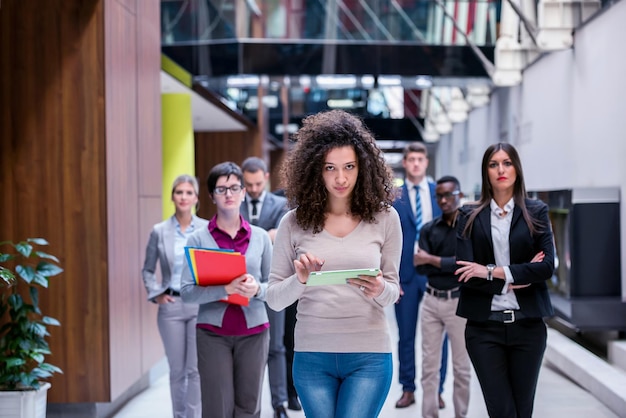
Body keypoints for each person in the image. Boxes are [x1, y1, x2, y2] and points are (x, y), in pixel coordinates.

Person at [266, 109, 402, 418]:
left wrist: (380, 288)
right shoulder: (293, 222)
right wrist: (300, 279)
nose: (341, 178)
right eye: (330, 168)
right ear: (315, 169)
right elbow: (274, 299)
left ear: (363, 167)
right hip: (312, 356)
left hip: (368, 354)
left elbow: (393, 291)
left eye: (349, 167)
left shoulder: (386, 218)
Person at [455, 142, 555, 418]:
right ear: (486, 171)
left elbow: (546, 267)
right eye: (493, 164)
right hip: (484, 329)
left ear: (517, 169)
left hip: (528, 327)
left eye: (507, 162)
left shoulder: (537, 212)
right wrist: (520, 275)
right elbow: (465, 274)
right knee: (502, 412)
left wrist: (491, 272)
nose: (501, 169)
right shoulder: (468, 215)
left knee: (523, 412)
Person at [180, 162, 272, 418]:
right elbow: (187, 292)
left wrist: (256, 289)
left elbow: (274, 287)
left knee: (249, 406)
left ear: (243, 192)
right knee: (217, 407)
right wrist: (224, 289)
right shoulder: (198, 239)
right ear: (211, 196)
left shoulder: (261, 237)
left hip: (254, 332)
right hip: (213, 334)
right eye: (221, 189)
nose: (229, 194)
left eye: (234, 187)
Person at [142, 174, 208, 418]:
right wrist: (156, 293)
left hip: (199, 305)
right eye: (179, 192)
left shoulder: (205, 229)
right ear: (172, 197)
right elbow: (148, 269)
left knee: (195, 370)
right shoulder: (159, 232)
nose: (183, 197)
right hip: (170, 307)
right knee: (177, 370)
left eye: (189, 192)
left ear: (196, 198)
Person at [392, 142, 448, 409]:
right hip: (405, 275)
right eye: (411, 159)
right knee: (406, 335)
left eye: (420, 159)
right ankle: (408, 388)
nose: (415, 163)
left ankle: (436, 389)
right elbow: (388, 239)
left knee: (440, 335)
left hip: (435, 273)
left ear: (426, 162)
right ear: (405, 162)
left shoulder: (440, 194)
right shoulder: (394, 196)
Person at [240, 156, 292, 418]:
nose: (253, 189)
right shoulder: (235, 204)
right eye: (248, 184)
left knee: (276, 347)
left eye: (258, 183)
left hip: (273, 283)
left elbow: (281, 238)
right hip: (241, 284)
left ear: (266, 178)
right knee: (246, 346)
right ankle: (250, 405)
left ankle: (279, 403)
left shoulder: (281, 205)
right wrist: (267, 234)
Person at [416, 175, 471, 418]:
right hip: (431, 302)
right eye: (439, 196)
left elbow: (465, 264)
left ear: (459, 195)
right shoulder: (429, 229)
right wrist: (442, 263)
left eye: (449, 195)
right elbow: (419, 266)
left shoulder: (469, 229)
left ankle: (461, 414)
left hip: (458, 302)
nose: (444, 200)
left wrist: (432, 260)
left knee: (461, 368)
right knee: (429, 367)